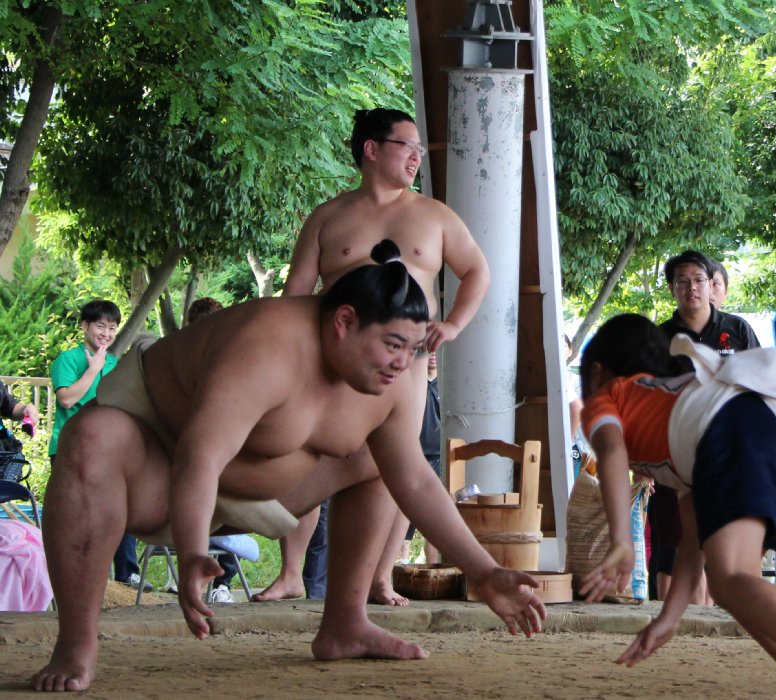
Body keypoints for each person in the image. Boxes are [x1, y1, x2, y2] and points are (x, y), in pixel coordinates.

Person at [31, 241, 544, 693]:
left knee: (380, 460)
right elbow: (199, 455)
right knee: (91, 436)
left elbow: (413, 479)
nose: (400, 363)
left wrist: (484, 572)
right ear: (343, 322)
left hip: (266, 493)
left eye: (411, 351)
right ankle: (76, 643)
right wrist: (191, 554)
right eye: (391, 345)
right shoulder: (266, 343)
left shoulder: (396, 381)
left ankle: (345, 623)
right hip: (159, 462)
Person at [255, 107, 490, 606]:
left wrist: (452, 324)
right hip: (331, 362)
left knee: (389, 465)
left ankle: (379, 577)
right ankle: (292, 573)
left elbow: (477, 272)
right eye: (407, 145)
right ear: (371, 149)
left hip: (400, 366)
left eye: (419, 149)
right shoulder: (329, 216)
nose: (415, 157)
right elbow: (296, 294)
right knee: (307, 456)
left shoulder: (434, 215)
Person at [578, 314, 776, 700]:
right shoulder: (681, 424)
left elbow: (611, 450)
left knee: (730, 579)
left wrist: (621, 541)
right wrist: (669, 618)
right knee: (741, 586)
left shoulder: (610, 395)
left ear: (598, 371)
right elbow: (694, 540)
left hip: (733, 427)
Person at [652, 251, 760, 602]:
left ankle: (733, 619)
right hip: (677, 452)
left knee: (730, 541)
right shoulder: (659, 338)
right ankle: (684, 623)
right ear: (672, 288)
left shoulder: (737, 329)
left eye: (698, 280)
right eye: (682, 282)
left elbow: (760, 385)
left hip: (731, 449)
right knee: (677, 542)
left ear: (711, 283)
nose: (692, 288)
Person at [48, 300, 148, 592]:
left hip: (110, 452)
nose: (106, 332)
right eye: (100, 326)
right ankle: (76, 580)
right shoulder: (67, 360)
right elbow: (67, 399)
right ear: (85, 326)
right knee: (78, 515)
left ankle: (126, 576)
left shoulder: (117, 366)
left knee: (122, 508)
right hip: (70, 449)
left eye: (112, 327)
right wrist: (93, 370)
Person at [183, 296, 238, 604]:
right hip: (193, 447)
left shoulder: (231, 355)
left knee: (227, 508)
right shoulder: (183, 357)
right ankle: (195, 574)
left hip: (225, 449)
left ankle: (224, 581)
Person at [402, 351, 441, 565]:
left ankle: (433, 569)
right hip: (413, 455)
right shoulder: (412, 383)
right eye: (428, 350)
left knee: (435, 522)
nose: (432, 355)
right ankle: (401, 569)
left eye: (437, 350)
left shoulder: (447, 384)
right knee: (404, 519)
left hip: (440, 458)